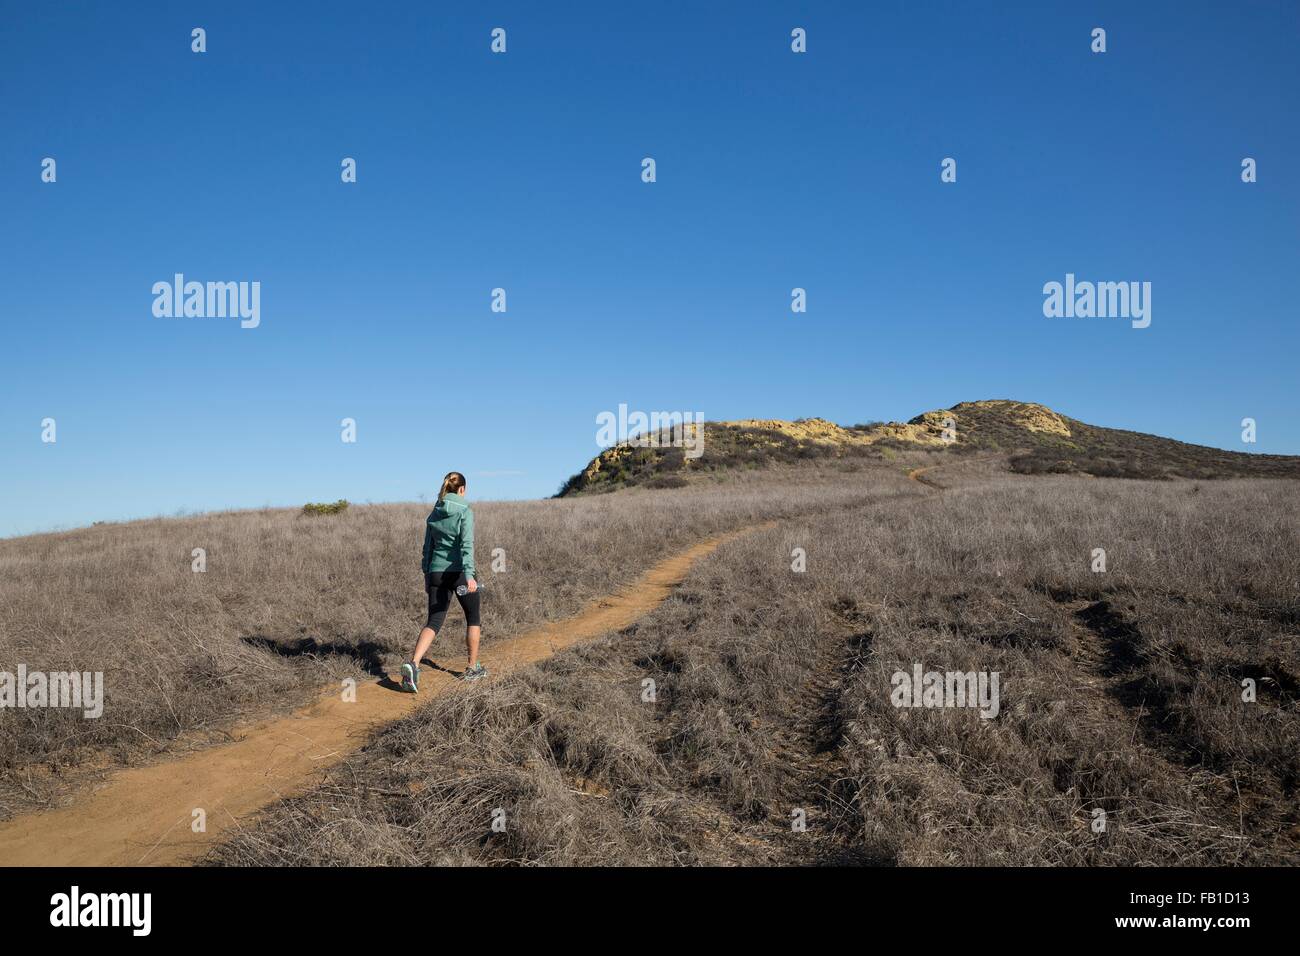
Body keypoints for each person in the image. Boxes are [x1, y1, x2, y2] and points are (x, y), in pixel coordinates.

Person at [401, 471, 485, 691]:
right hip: (459, 573)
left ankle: (414, 664)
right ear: (462, 489)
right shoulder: (465, 510)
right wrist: (469, 576)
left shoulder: (434, 512)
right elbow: (467, 545)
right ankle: (472, 667)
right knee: (473, 617)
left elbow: (427, 548)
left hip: (436, 573)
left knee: (434, 621)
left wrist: (427, 574)